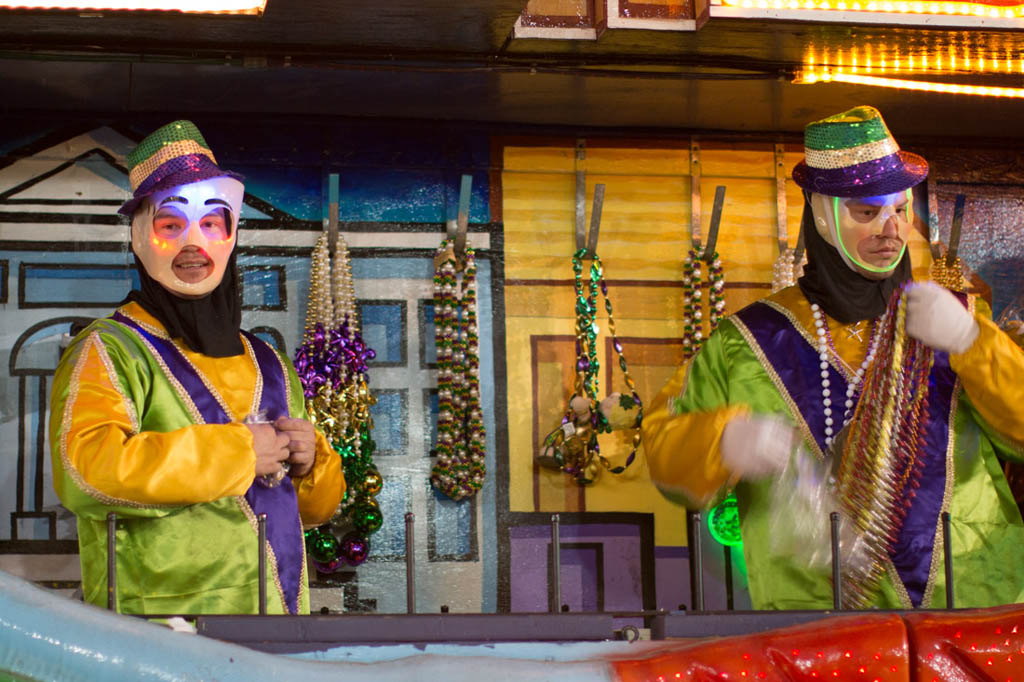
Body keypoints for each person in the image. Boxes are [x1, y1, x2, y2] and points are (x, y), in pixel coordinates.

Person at [643, 106, 1024, 610]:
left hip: (973, 615)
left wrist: (975, 345)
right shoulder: (744, 342)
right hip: (820, 630)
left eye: (901, 209)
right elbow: (666, 450)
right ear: (822, 215)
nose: (893, 230)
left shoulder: (956, 318)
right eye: (869, 211)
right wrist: (722, 440)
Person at [49, 120, 344, 615]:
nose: (193, 242)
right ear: (140, 237)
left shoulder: (268, 361)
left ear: (231, 236)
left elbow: (312, 511)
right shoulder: (110, 349)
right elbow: (87, 473)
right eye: (171, 225)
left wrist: (312, 463)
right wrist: (238, 452)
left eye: (212, 223)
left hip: (275, 628)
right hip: (161, 639)